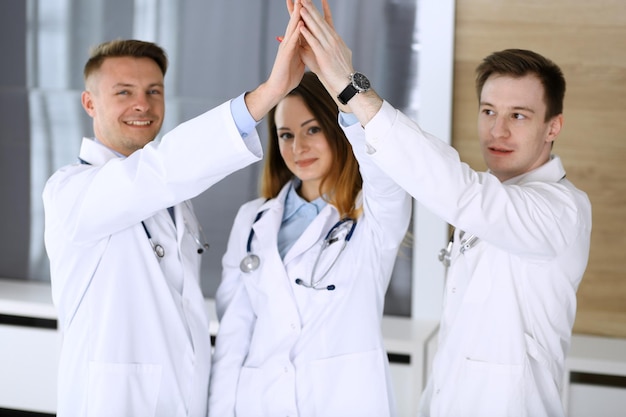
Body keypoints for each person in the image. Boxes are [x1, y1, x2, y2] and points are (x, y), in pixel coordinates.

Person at [295, 1, 592, 416]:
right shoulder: (496, 196)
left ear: (553, 126)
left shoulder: (561, 210)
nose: (498, 130)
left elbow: (458, 191)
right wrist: (338, 90)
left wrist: (352, 85)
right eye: (488, 111)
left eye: (519, 116)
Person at [42, 4, 308, 415]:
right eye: (123, 92)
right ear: (89, 103)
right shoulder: (71, 192)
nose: (142, 105)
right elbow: (162, 169)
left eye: (153, 91)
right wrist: (268, 94)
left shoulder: (171, 200)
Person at [208, 70, 411, 417]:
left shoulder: (372, 215)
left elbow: (388, 175)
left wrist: (341, 85)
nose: (297, 147)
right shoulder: (253, 219)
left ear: (337, 128)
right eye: (285, 134)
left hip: (341, 401)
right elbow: (233, 335)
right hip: (260, 403)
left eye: (312, 129)